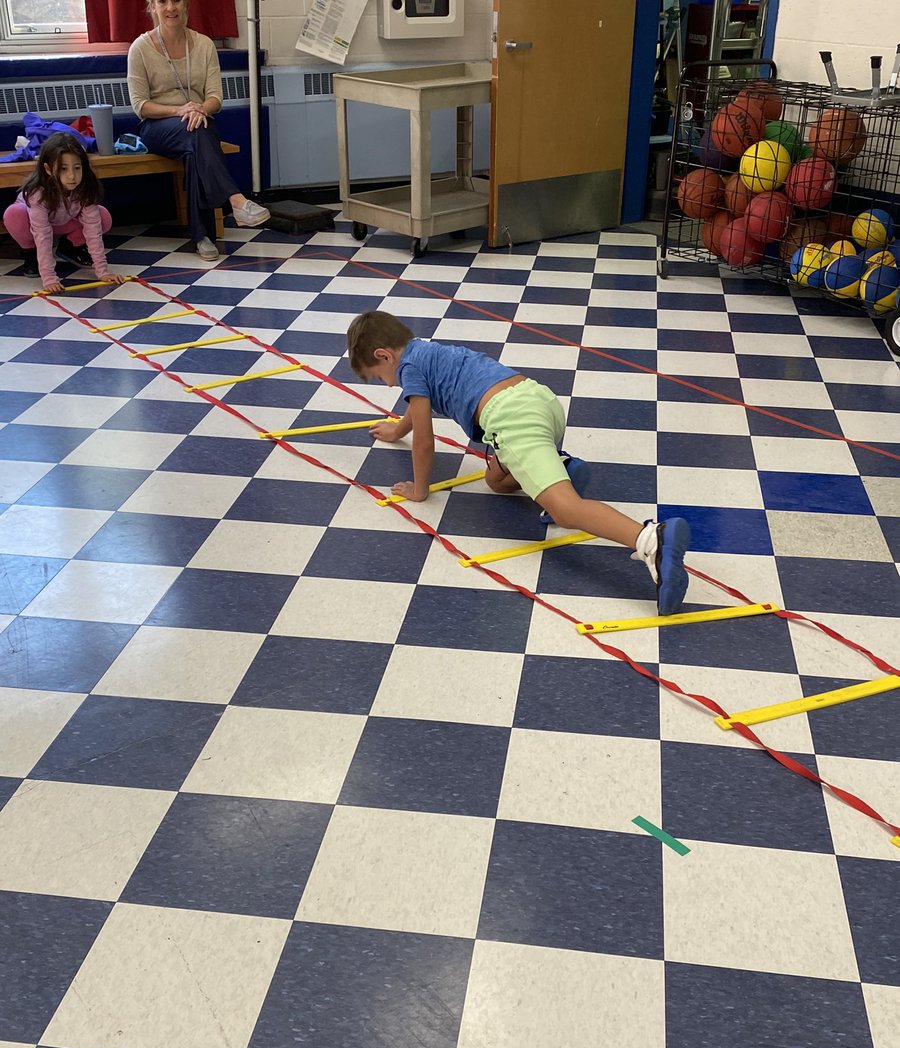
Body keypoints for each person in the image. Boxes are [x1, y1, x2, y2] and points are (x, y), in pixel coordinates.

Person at [346, 310, 691, 615]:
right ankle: (562, 467)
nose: (385, 382)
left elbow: (424, 441)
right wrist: (396, 430)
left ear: (384, 356)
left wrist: (420, 490)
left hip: (512, 419)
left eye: (377, 376)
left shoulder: (408, 369)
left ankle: (651, 540)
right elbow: (416, 407)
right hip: (538, 399)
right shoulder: (425, 351)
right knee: (495, 479)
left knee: (565, 510)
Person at [127, 0, 269, 262]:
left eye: (177, 0)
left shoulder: (204, 45)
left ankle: (203, 238)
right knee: (199, 132)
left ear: (186, 6)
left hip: (197, 121)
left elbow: (216, 97)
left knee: (197, 140)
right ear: (153, 8)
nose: (171, 7)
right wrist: (180, 111)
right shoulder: (140, 48)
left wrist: (200, 109)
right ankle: (236, 201)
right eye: (162, 1)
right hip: (158, 126)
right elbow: (141, 106)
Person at [2, 133, 125, 294]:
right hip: (33, 226)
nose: (72, 176)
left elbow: (93, 230)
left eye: (77, 168)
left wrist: (102, 271)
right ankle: (30, 252)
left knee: (103, 217)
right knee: (13, 214)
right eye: (63, 169)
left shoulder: (86, 187)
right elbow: (42, 233)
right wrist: (49, 278)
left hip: (63, 223)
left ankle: (70, 247)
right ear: (48, 169)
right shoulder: (38, 192)